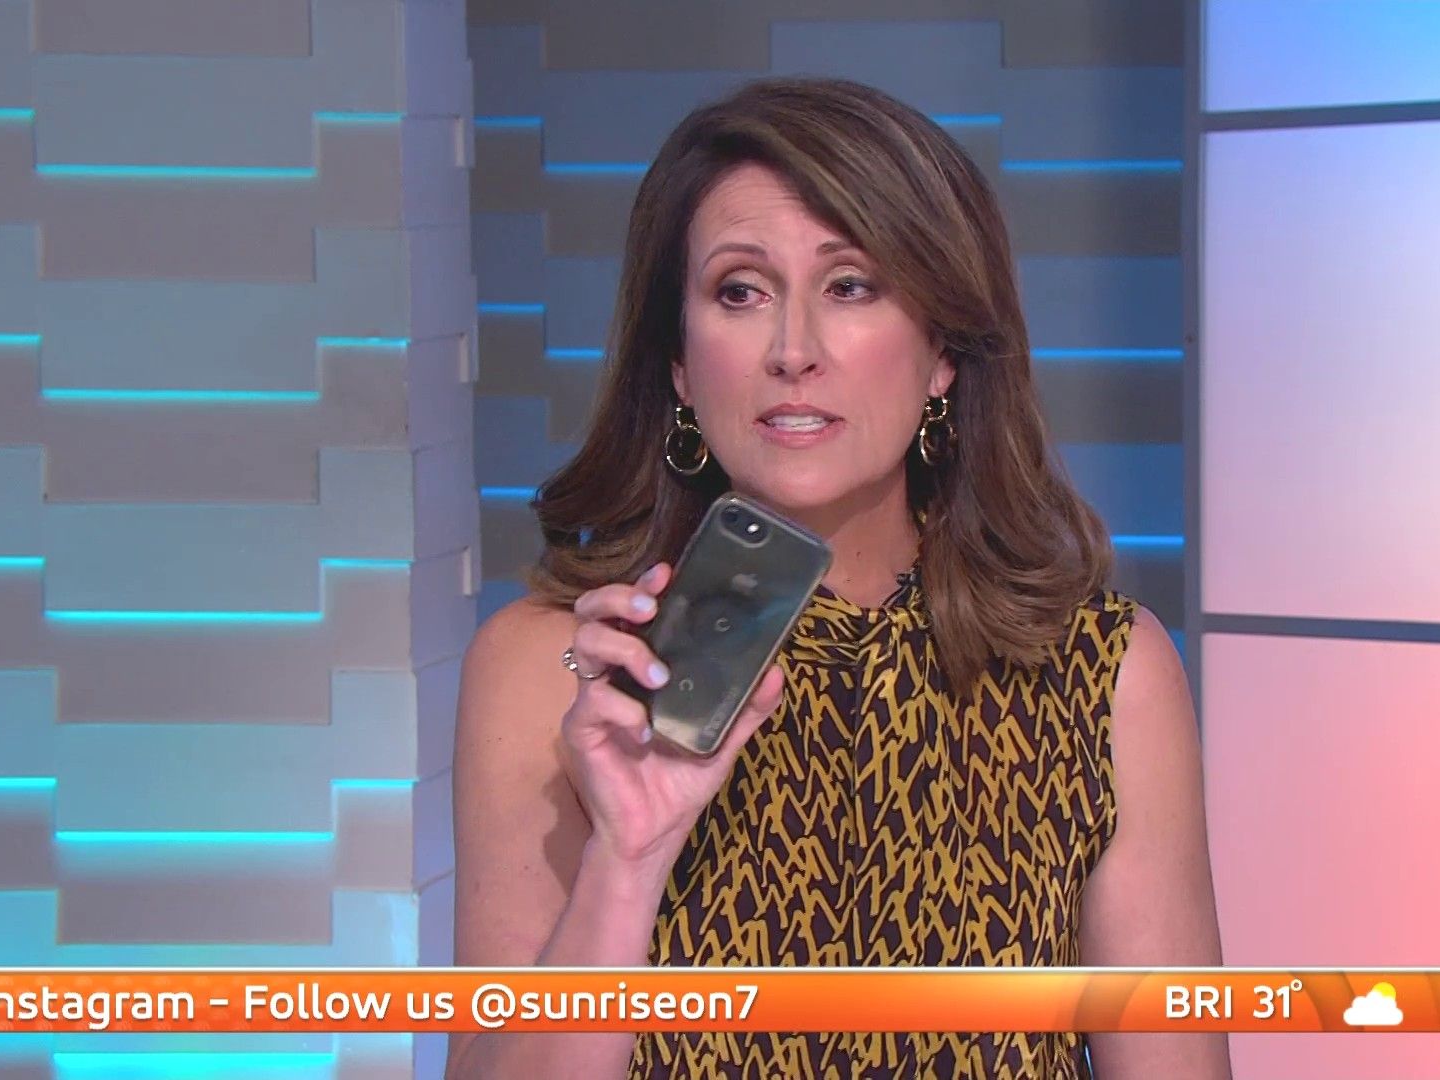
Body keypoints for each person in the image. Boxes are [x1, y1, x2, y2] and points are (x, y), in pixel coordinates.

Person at [447, 76, 1230, 1079]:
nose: (793, 351)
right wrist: (627, 862)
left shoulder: (1102, 671)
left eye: (851, 286)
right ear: (679, 362)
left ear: (943, 351)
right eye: (740, 291)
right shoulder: (555, 668)